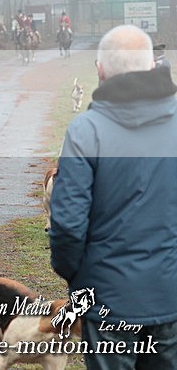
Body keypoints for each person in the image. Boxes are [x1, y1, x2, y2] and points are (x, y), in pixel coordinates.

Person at [49, 24, 177, 369]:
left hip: (107, 300)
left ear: (100, 70)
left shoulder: (84, 132)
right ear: (153, 65)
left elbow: (67, 227)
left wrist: (77, 278)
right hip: (170, 295)